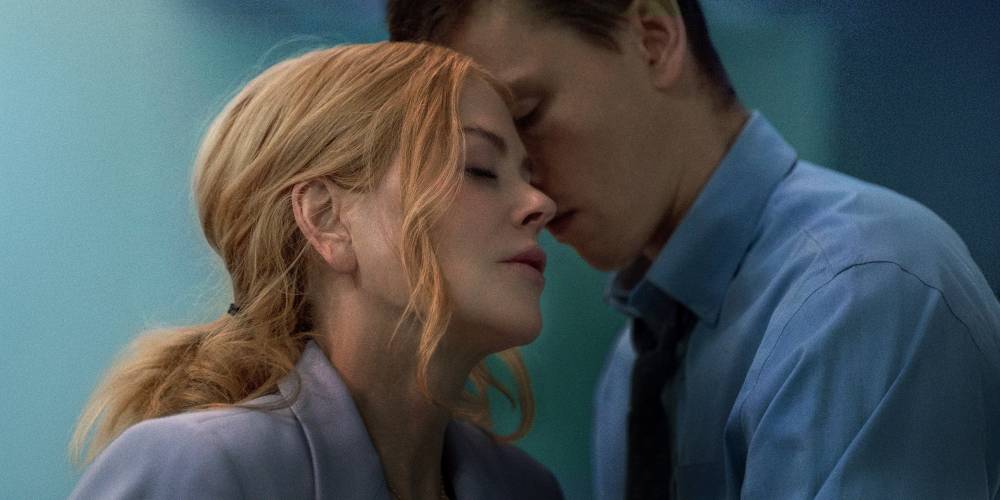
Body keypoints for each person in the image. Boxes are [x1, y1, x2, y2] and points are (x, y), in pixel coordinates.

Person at [387, 0, 1000, 498]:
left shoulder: (861, 292)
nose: (528, 193)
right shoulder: (632, 367)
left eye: (528, 115)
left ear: (653, 38)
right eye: (481, 161)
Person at [68, 41, 564, 500]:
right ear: (327, 219)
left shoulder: (529, 489)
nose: (540, 203)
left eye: (529, 177)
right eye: (478, 167)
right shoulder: (198, 469)